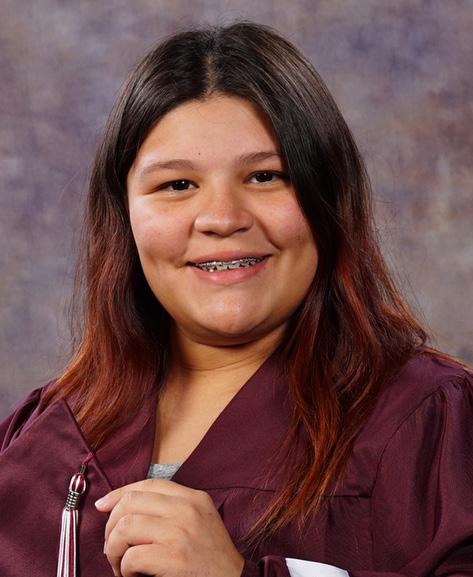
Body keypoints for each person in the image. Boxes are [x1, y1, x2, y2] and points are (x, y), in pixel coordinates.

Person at [0, 20, 472, 577]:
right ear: (123, 216)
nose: (222, 218)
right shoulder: (42, 433)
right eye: (177, 185)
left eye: (266, 176)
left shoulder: (427, 419)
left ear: (330, 198)